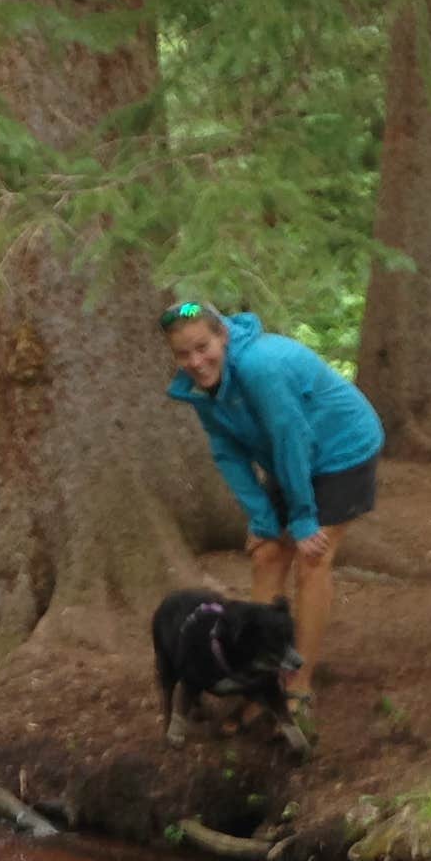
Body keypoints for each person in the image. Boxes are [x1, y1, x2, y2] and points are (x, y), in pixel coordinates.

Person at [162, 297, 384, 741]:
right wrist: (263, 517)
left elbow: (292, 436)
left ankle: (298, 684)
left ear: (222, 335)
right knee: (265, 553)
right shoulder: (201, 390)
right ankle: (257, 671)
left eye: (203, 347)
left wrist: (302, 519)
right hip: (295, 460)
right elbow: (227, 453)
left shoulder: (261, 366)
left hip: (342, 449)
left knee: (313, 557)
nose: (195, 361)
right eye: (183, 354)